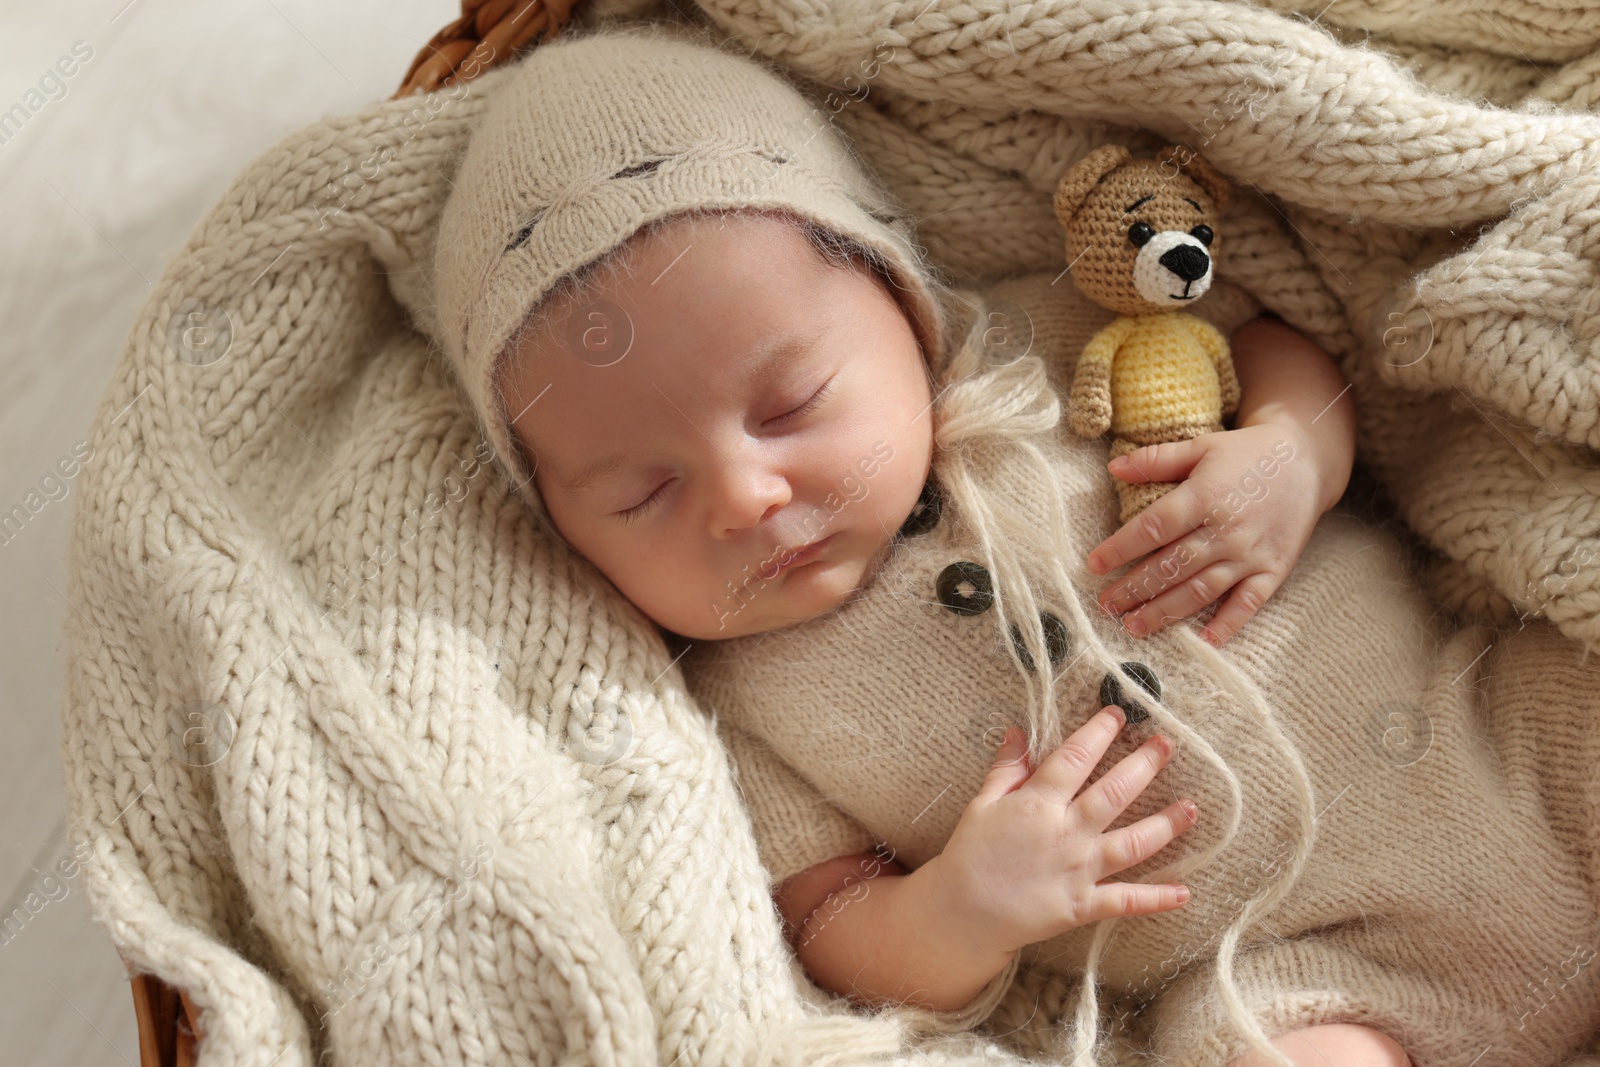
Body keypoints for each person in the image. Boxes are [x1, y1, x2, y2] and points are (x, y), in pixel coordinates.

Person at [432, 19, 1600, 1067]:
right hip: (1309, 969)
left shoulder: (1039, 346)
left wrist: (1294, 455)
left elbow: (1281, 347)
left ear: (902, 304)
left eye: (789, 405)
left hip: (1503, 735)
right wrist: (962, 906)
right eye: (639, 491)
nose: (743, 495)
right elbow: (835, 924)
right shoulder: (739, 702)